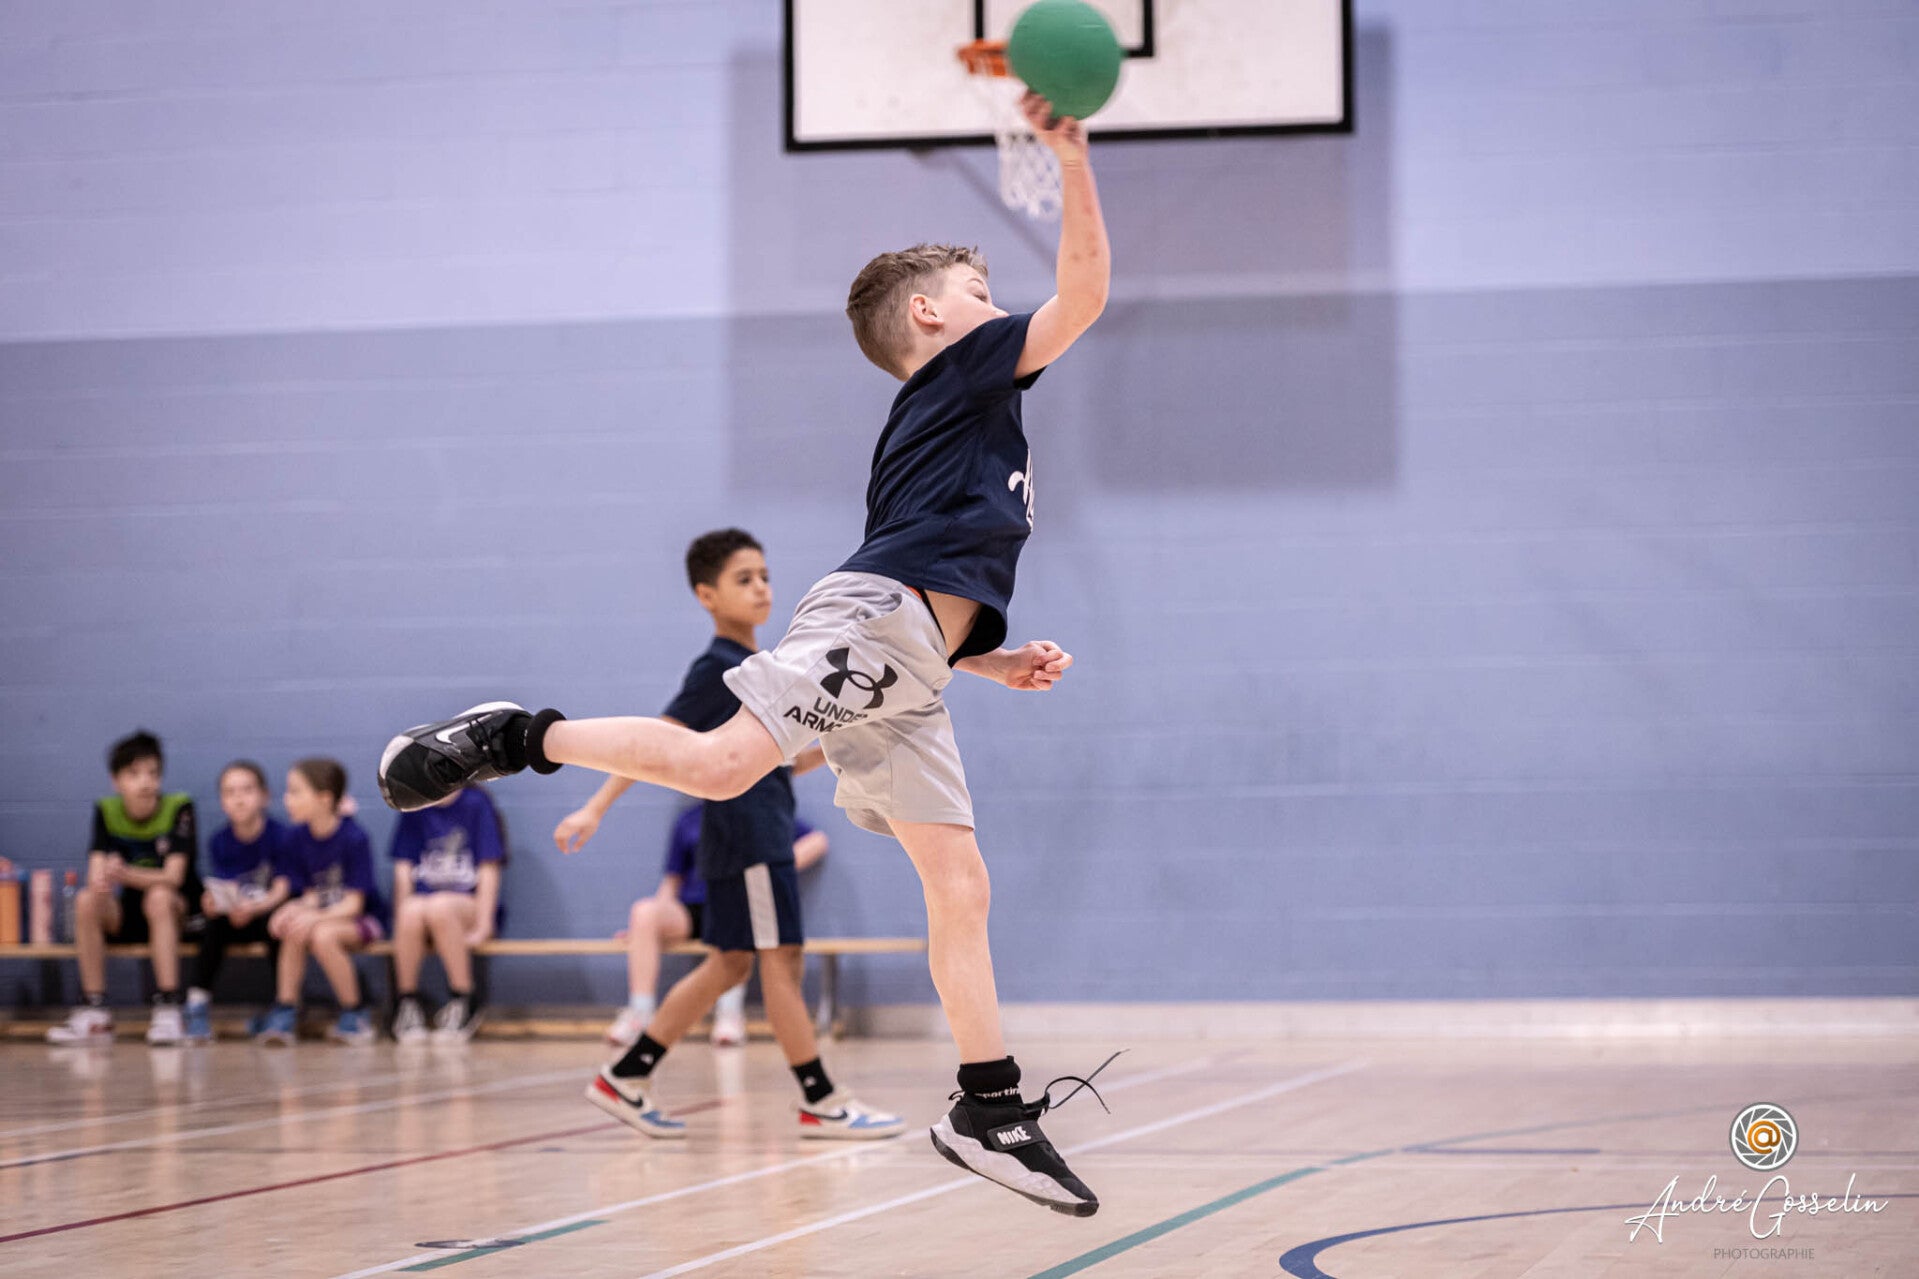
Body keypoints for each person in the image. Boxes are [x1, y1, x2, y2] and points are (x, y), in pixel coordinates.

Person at [380, 96, 1109, 1211]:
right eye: (979, 290)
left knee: (959, 884)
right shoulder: (968, 367)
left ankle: (988, 1106)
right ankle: (514, 734)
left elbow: (925, 566)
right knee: (722, 766)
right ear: (931, 314)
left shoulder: (957, 408)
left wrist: (981, 660)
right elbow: (1086, 297)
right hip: (881, 627)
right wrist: (1072, 159)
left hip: (909, 654)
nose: (997, 305)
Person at [551, 528, 901, 1140]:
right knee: (781, 961)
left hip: (753, 836)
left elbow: (781, 761)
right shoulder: (717, 670)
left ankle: (625, 1076)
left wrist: (846, 739)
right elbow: (652, 744)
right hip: (750, 840)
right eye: (744, 579)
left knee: (731, 964)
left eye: (765, 575)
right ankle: (820, 1099)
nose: (761, 587)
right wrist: (594, 808)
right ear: (706, 595)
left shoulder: (758, 669)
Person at [600, 804, 829, 1049]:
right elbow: (672, 881)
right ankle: (640, 1014)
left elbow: (817, 841)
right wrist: (643, 930)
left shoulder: (759, 811)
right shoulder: (689, 819)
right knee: (644, 913)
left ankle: (729, 1014)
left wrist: (774, 869)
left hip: (736, 905)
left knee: (738, 905)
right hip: (693, 910)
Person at [47, 730, 202, 1046]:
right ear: (116, 781)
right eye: (134, 774)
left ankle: (169, 1008)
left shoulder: (179, 807)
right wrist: (104, 875)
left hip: (175, 913)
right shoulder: (106, 811)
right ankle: (95, 1012)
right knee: (87, 900)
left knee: (159, 896)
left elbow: (173, 877)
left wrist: (125, 872)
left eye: (153, 773)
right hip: (128, 913)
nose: (145, 782)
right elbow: (96, 875)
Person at [257, 758, 387, 1046]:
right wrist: (290, 910)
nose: (287, 799)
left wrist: (312, 917)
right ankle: (286, 1010)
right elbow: (312, 896)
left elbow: (354, 905)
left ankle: (355, 1013)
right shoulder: (296, 838)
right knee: (295, 927)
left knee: (322, 935)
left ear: (325, 799)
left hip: (364, 920)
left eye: (295, 792)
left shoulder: (354, 837)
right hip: (327, 916)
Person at [183, 760, 292, 1043]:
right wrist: (214, 902)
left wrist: (254, 908)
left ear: (264, 796)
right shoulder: (219, 840)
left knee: (279, 926)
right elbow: (225, 886)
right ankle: (196, 1004)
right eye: (230, 792)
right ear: (222, 801)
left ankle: (285, 1005)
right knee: (212, 925)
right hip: (236, 916)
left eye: (246, 790)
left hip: (266, 913)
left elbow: (282, 889)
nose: (239, 799)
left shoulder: (281, 836)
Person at [388, 786, 504, 1044]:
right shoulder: (414, 802)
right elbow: (403, 868)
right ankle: (407, 1002)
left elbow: (489, 866)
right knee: (409, 910)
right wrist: (402, 923)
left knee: (440, 906)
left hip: (466, 904)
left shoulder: (476, 803)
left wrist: (484, 924)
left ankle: (464, 998)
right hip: (424, 905)